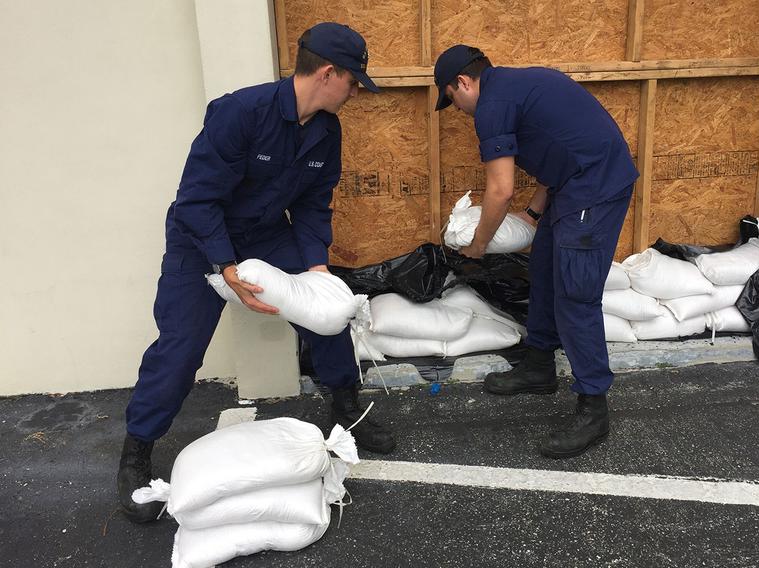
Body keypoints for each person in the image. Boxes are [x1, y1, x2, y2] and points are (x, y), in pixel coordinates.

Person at [118, 22, 396, 524]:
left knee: (327, 310)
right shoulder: (240, 113)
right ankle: (137, 449)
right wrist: (226, 269)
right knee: (180, 348)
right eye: (353, 81)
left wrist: (315, 266)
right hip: (200, 237)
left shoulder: (326, 129)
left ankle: (345, 406)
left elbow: (314, 202)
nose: (356, 92)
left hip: (267, 233)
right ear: (327, 72)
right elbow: (198, 199)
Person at [433, 45, 639, 459]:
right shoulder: (518, 86)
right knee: (543, 269)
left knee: (576, 295)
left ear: (463, 83)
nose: (456, 108)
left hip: (595, 188)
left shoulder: (493, 106)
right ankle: (540, 366)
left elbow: (500, 188)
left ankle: (593, 407)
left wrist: (477, 247)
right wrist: (532, 215)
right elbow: (560, 149)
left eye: (451, 99)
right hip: (574, 184)